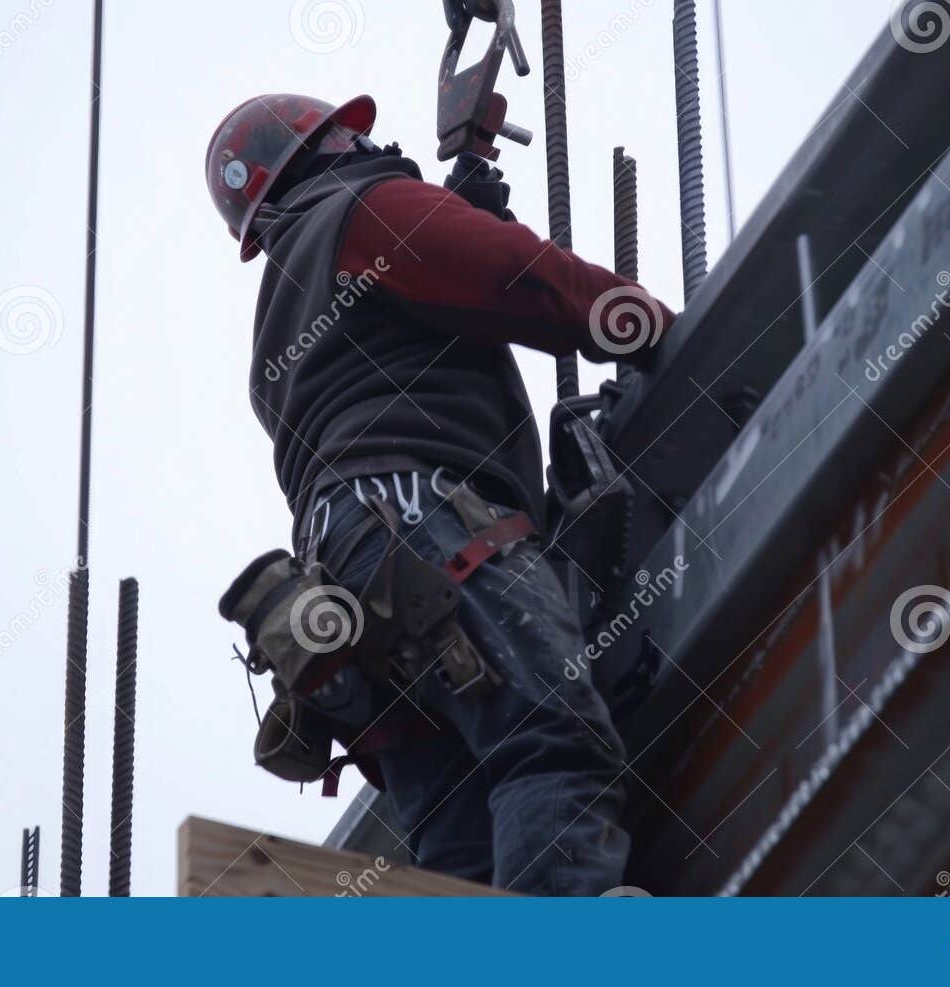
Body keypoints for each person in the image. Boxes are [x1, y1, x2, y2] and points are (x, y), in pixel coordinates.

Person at [205, 92, 675, 896]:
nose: (369, 138)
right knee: (546, 739)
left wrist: (452, 219)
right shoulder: (362, 208)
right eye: (351, 132)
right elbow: (521, 278)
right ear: (330, 146)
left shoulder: (284, 315)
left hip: (346, 577)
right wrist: (648, 325)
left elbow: (404, 326)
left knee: (458, 844)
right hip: (423, 522)